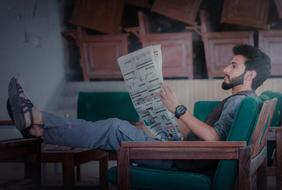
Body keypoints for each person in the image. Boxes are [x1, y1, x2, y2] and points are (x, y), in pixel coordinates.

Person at [7, 44, 271, 171]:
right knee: (129, 126)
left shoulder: (241, 101)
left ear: (249, 76)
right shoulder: (245, 100)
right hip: (186, 152)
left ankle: (38, 120)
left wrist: (178, 108)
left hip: (185, 160)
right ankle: (39, 129)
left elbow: (215, 139)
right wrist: (165, 119)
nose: (225, 69)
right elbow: (214, 136)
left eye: (234, 65)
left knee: (115, 128)